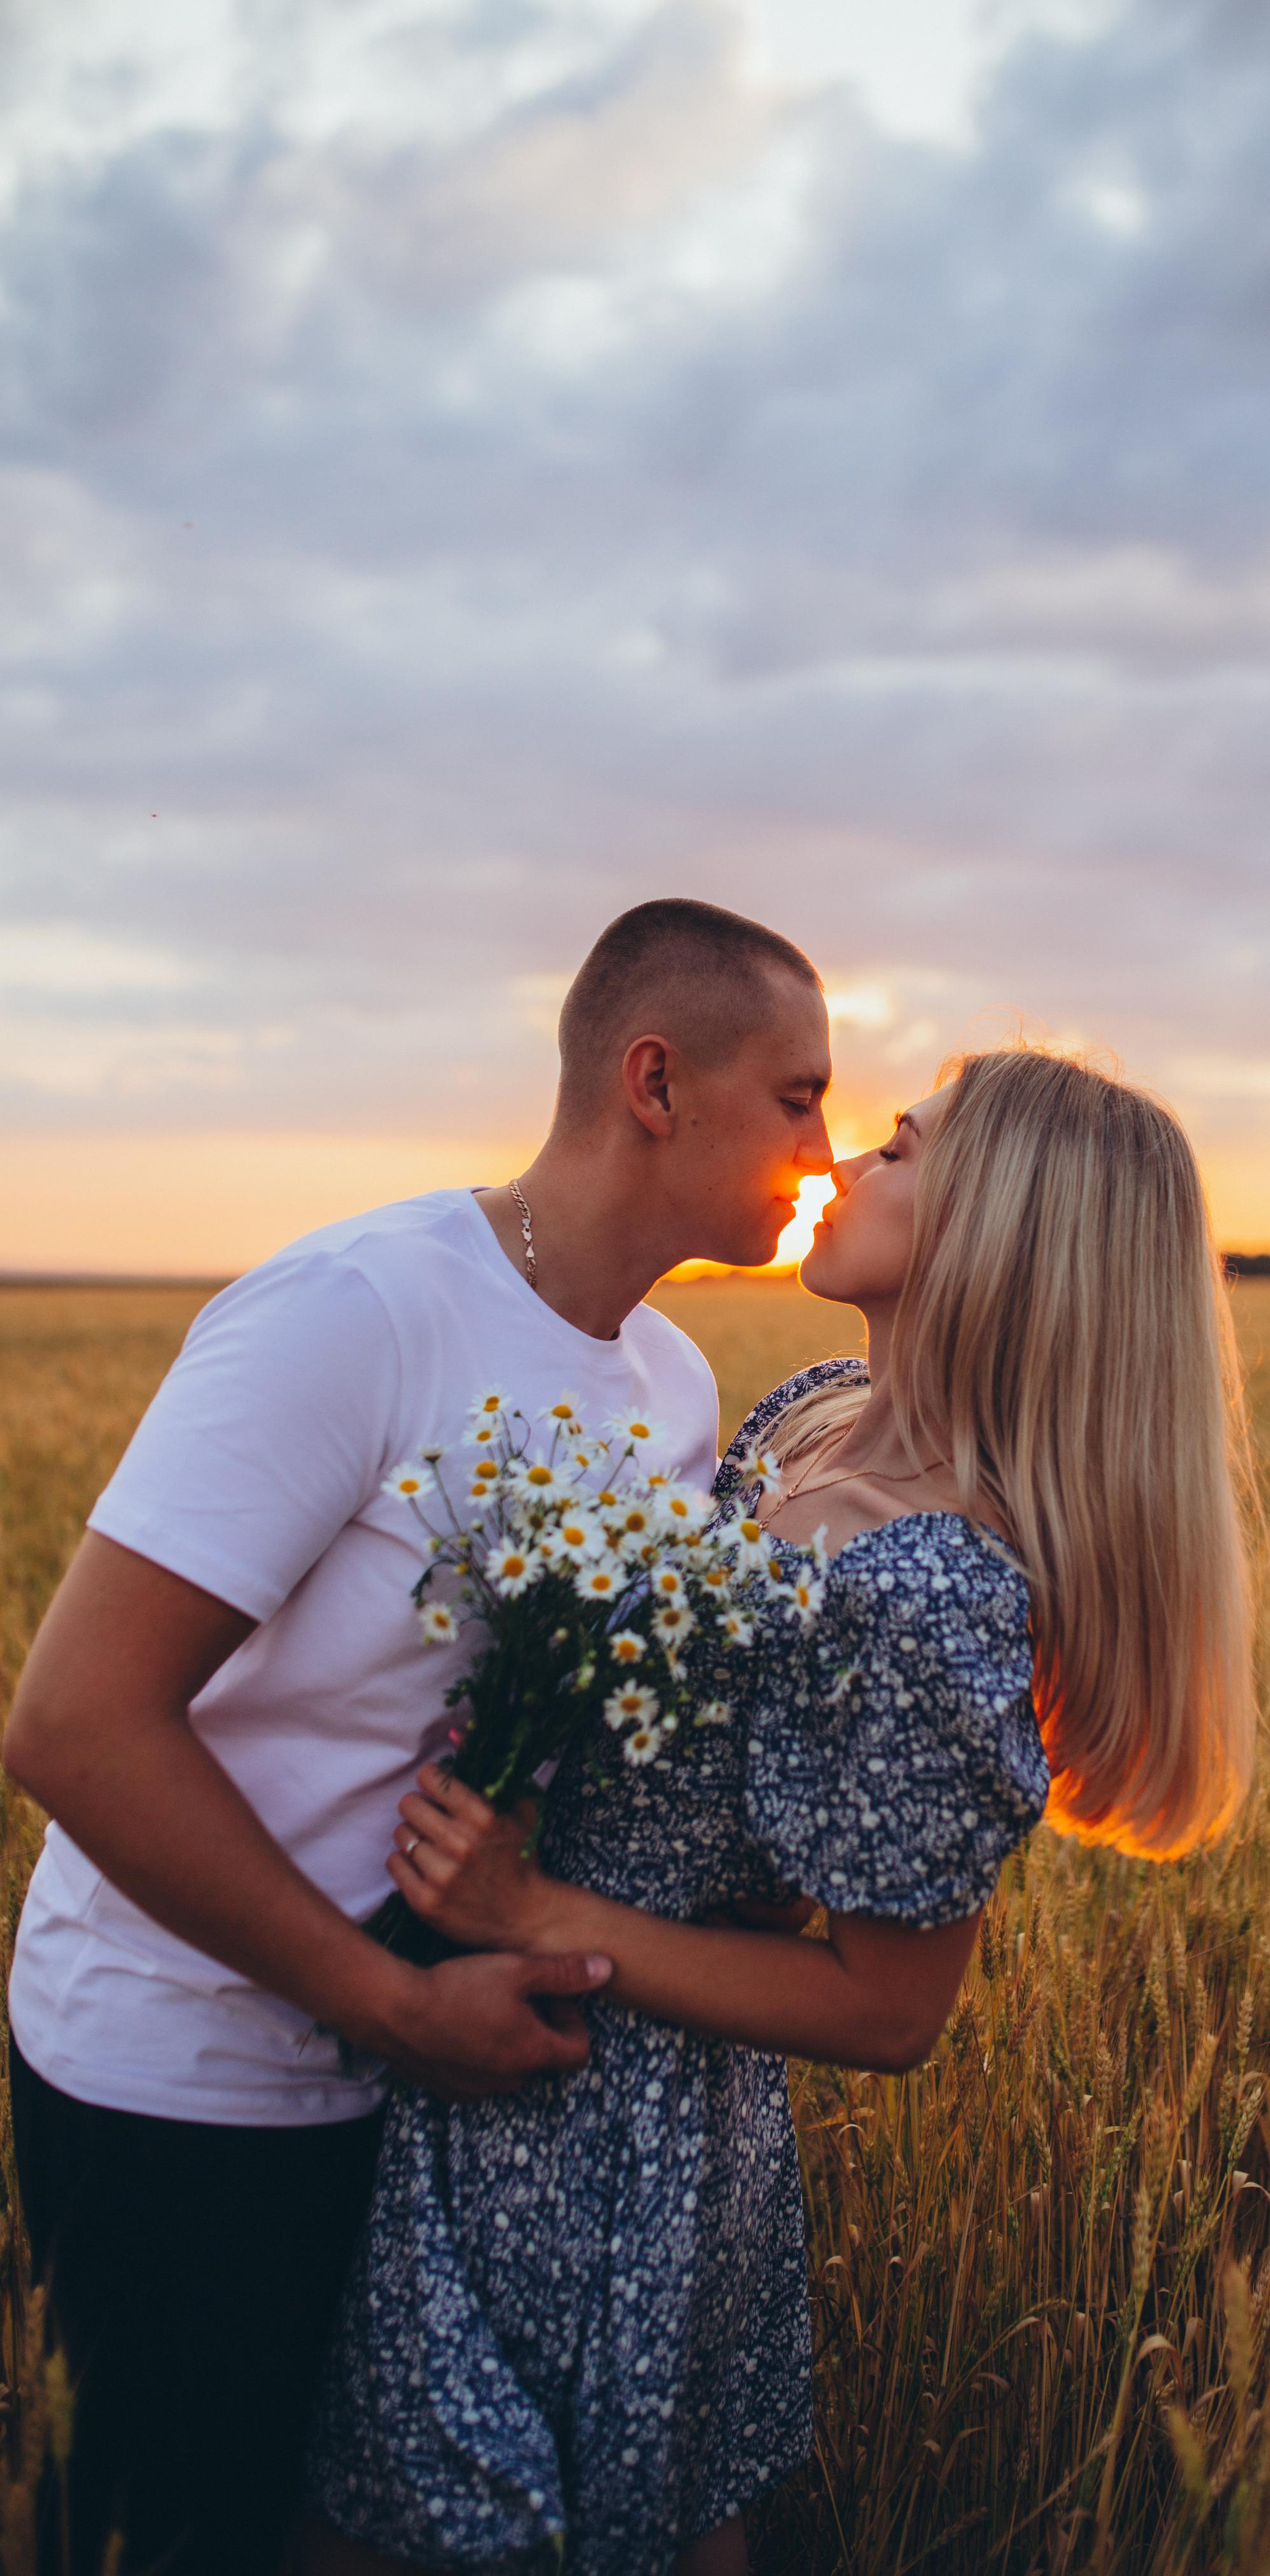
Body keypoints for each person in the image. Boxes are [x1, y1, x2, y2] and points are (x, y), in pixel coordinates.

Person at [300, 1045, 1258, 2576]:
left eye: (897, 1146)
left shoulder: (930, 1587)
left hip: (610, 2133)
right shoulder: (814, 1418)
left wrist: (536, 1910)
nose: (843, 1164)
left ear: (1002, 1228)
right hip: (490, 2068)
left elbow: (887, 2009)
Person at [2, 898, 836, 2576]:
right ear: (655, 1082)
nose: (821, 1144)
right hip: (190, 2088)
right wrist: (388, 2002)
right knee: (179, 2537)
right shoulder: (357, 1311)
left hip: (431, 2113)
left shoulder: (671, 1387)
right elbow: (77, 1725)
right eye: (799, 1096)